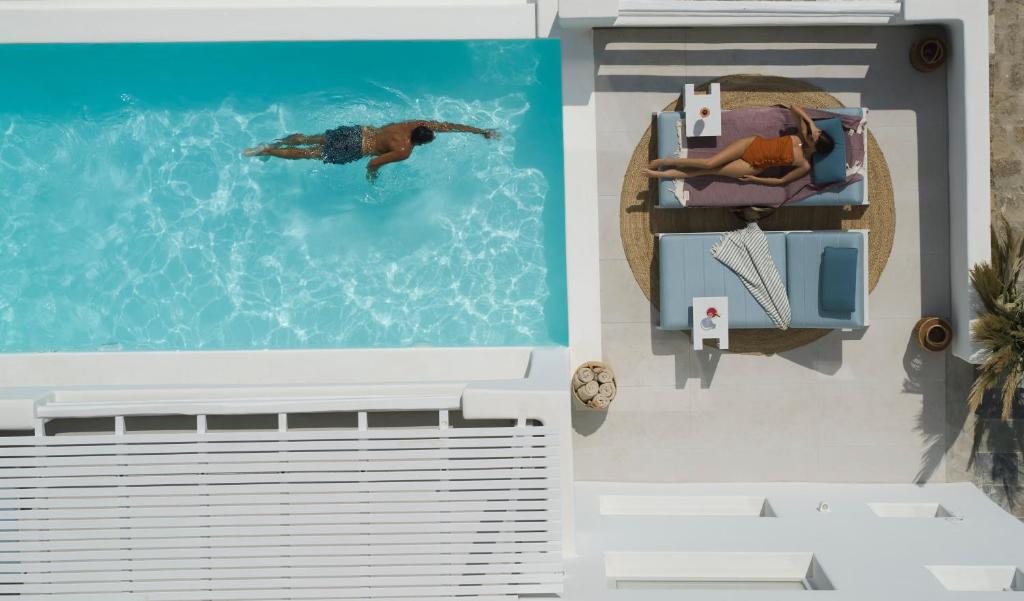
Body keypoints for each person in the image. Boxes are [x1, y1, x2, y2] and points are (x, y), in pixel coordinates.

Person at [640, 105, 834, 186]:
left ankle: (660, 174)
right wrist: (811, 123)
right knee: (709, 162)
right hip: (751, 143)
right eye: (815, 133)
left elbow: (782, 181)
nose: (812, 135)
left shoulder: (804, 165)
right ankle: (666, 161)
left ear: (816, 148)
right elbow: (793, 107)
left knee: (707, 171)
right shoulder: (801, 134)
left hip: (752, 166)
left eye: (815, 138)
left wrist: (755, 180)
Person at [244, 120, 499, 181]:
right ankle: (268, 150)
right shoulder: (404, 150)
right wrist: (372, 179)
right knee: (308, 154)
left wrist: (479, 131)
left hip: (358, 133)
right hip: (357, 147)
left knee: (309, 139)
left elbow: (445, 126)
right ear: (420, 142)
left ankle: (276, 143)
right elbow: (373, 163)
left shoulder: (410, 125)